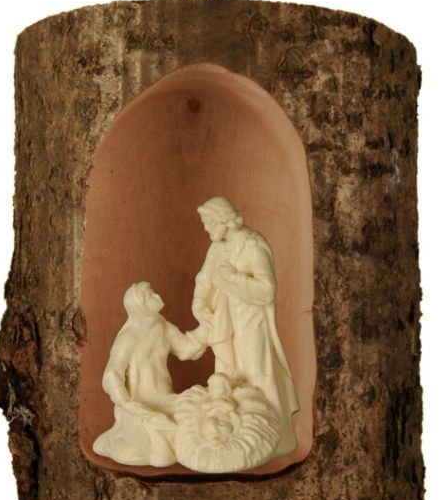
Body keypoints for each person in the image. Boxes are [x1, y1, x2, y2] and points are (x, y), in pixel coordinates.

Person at [191, 197, 299, 457]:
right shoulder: (218, 247)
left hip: (250, 320)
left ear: (224, 220)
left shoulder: (253, 246)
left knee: (257, 372)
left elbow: (267, 290)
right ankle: (233, 430)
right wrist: (199, 304)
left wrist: (232, 278)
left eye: (209, 223)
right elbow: (204, 279)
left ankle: (274, 435)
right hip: (224, 320)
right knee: (226, 373)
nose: (206, 229)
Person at [93, 282, 205, 467]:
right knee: (143, 449)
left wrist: (208, 329)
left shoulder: (162, 327)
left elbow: (186, 349)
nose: (157, 296)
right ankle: (118, 438)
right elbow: (112, 373)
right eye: (150, 295)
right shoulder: (128, 337)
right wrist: (125, 401)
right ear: (140, 304)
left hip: (167, 399)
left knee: (197, 415)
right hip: (140, 403)